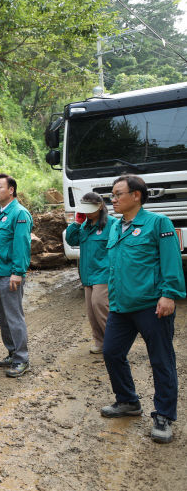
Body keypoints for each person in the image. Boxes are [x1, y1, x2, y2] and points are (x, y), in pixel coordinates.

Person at [99, 174, 185, 444]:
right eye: (112, 195)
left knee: (161, 360)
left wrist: (169, 294)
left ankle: (163, 415)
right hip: (121, 307)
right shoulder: (115, 227)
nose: (112, 199)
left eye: (117, 194)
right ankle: (127, 401)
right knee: (111, 352)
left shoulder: (158, 223)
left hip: (151, 306)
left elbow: (171, 262)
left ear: (136, 195)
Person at [0, 173, 33, 377]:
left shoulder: (19, 213)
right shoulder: (1, 213)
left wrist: (18, 272)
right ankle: (12, 352)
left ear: (11, 190)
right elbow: (3, 241)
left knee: (13, 317)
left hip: (9, 274)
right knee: (1, 316)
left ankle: (22, 359)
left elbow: (21, 245)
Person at [65, 192, 117, 354]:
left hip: (104, 273)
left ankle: (115, 344)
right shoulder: (85, 225)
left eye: (90, 209)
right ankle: (100, 343)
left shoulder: (113, 224)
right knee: (92, 311)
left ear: (100, 206)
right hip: (87, 274)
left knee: (101, 306)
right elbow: (71, 240)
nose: (87, 212)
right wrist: (76, 223)